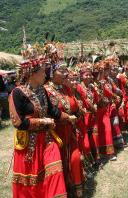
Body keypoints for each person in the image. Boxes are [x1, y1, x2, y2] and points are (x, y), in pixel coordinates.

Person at [8, 43, 77, 198]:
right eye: (42, 72)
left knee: (55, 170)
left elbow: (52, 110)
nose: (46, 75)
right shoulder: (17, 94)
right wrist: (44, 122)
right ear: (32, 74)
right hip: (29, 146)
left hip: (46, 140)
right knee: (32, 182)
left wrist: (68, 117)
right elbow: (18, 122)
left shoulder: (42, 90)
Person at [45, 63, 85, 197]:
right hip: (55, 134)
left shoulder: (65, 89)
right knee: (59, 164)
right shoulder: (45, 91)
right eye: (61, 71)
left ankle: (75, 191)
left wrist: (80, 112)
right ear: (52, 73)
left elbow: (74, 107)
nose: (65, 74)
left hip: (69, 131)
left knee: (74, 159)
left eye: (65, 71)